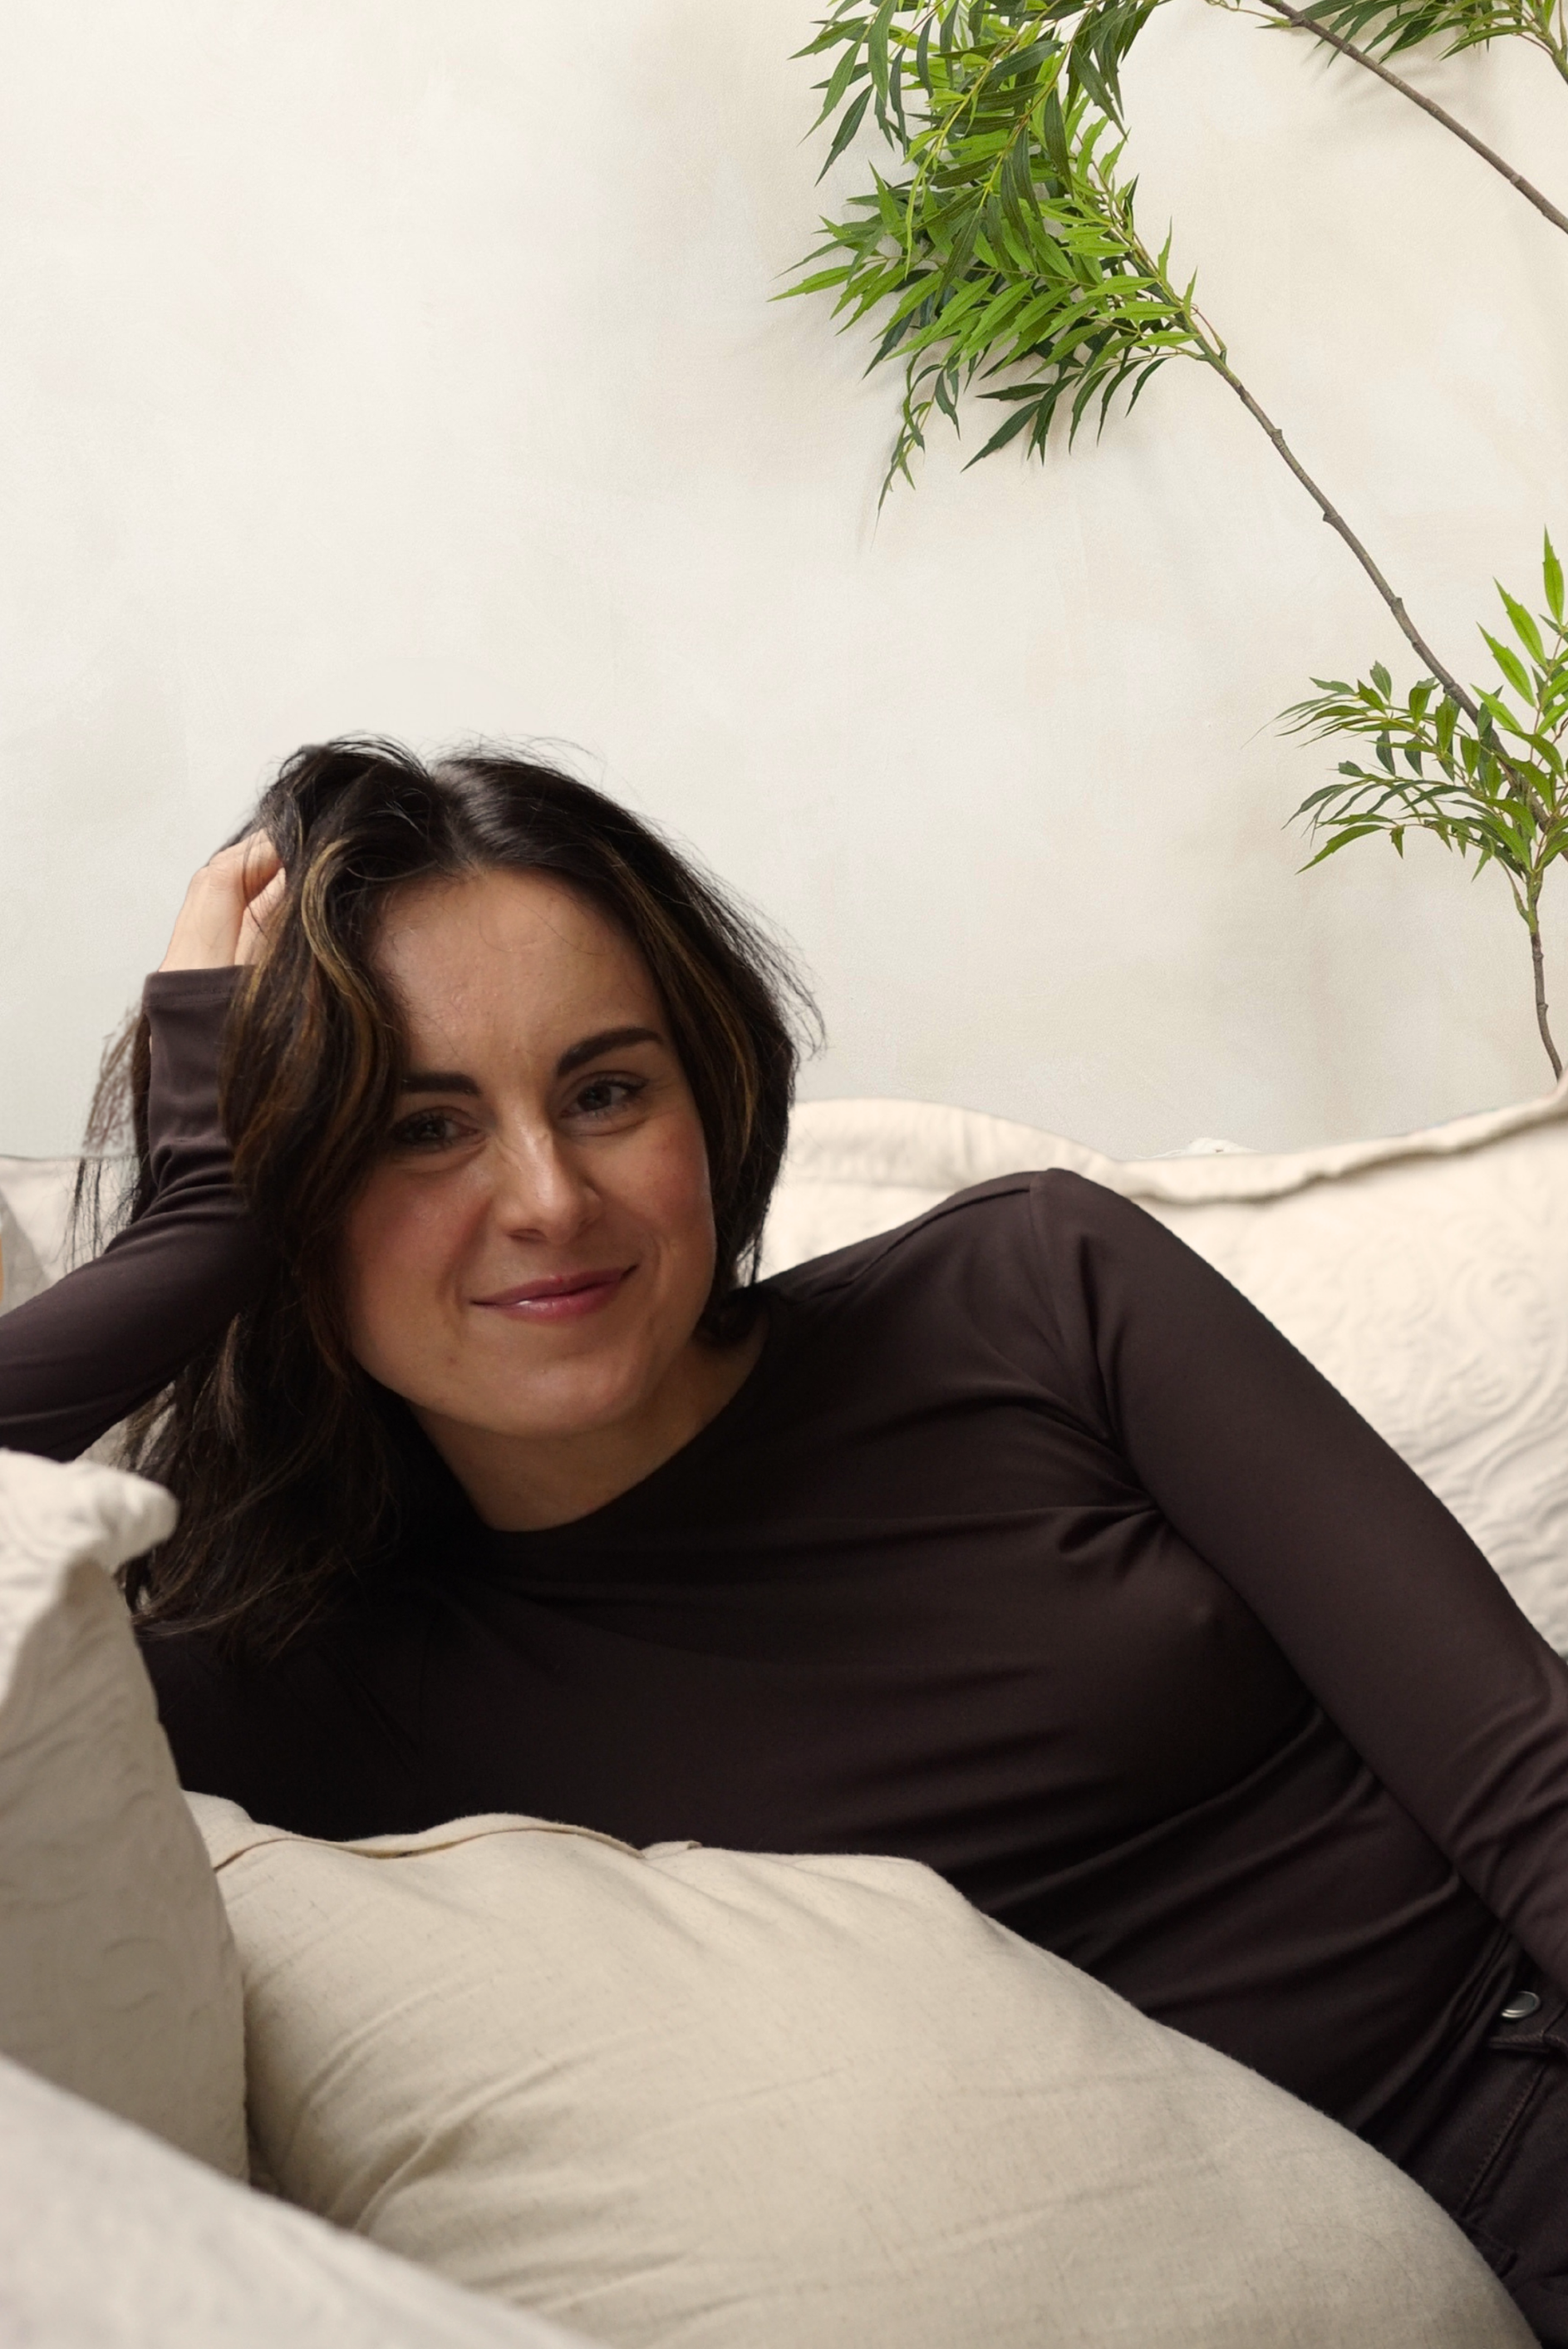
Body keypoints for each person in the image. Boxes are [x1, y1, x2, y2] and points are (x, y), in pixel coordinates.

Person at [4, 733, 1568, 2340]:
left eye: (605, 1091)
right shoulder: (275, 1682)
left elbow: (1526, 1772)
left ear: (712, 1094)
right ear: (290, 1185)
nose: (549, 1196)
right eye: (422, 1126)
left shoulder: (1030, 1295)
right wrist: (191, 1240)